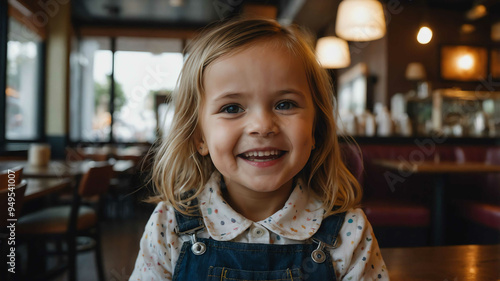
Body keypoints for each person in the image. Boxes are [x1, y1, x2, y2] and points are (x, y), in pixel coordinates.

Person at [130, 18, 389, 281]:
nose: (262, 126)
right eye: (232, 108)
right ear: (200, 137)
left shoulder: (348, 230)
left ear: (316, 130)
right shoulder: (169, 225)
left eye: (285, 104)